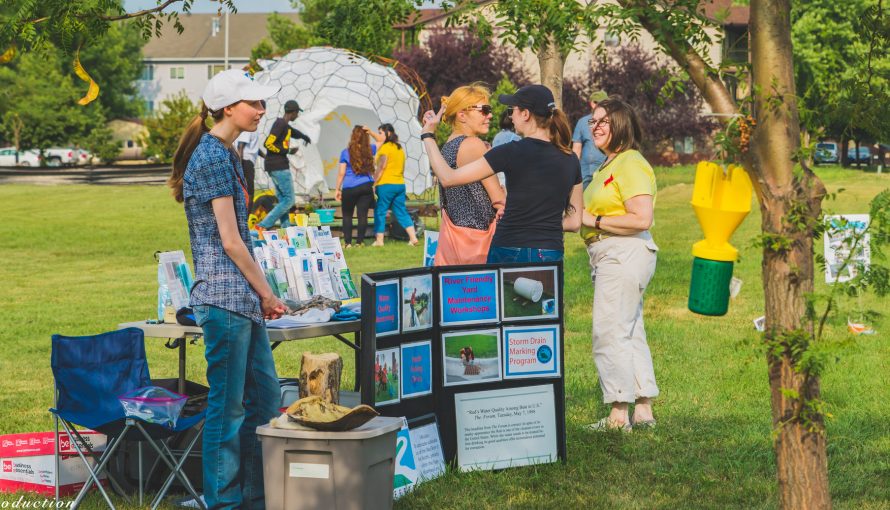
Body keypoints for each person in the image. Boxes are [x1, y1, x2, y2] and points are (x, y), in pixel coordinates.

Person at [168, 69, 286, 509]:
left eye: (262, 104)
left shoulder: (228, 153)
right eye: (253, 103)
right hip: (223, 298)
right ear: (227, 108)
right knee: (229, 407)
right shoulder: (214, 156)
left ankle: (254, 496)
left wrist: (259, 296)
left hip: (241, 300)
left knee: (264, 399)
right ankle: (222, 500)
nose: (261, 110)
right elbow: (231, 241)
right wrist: (269, 294)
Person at [420, 84, 583, 263]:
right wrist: (544, 225)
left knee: (503, 292)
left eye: (512, 110)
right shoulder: (571, 159)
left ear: (526, 114)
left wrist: (428, 135)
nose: (509, 116)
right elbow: (575, 222)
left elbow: (447, 178)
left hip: (507, 246)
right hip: (550, 250)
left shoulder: (508, 151)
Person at [581, 97, 659, 432]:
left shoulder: (630, 162)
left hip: (623, 253)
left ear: (622, 126)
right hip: (612, 254)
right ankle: (642, 408)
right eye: (592, 121)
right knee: (628, 328)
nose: (594, 127)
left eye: (603, 121)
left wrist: (593, 221)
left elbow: (641, 217)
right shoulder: (606, 165)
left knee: (610, 330)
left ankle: (617, 414)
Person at [434, 84, 506, 265]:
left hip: (452, 241)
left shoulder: (448, 145)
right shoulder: (474, 144)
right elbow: (498, 199)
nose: (490, 115)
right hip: (478, 244)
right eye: (484, 110)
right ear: (462, 115)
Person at [257, 99, 312, 230]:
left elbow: (294, 132)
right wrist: (287, 151)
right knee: (289, 200)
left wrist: (305, 137)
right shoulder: (280, 124)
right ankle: (263, 225)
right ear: (292, 112)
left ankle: (286, 232)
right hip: (279, 167)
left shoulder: (285, 125)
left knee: (283, 201)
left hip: (274, 166)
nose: (297, 115)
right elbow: (268, 144)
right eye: (297, 112)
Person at [366, 123, 419, 246]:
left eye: (380, 133)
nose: (378, 135)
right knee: (401, 211)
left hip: (386, 185)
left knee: (380, 211)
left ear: (388, 134)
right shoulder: (399, 148)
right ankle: (413, 238)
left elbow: (381, 166)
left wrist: (374, 182)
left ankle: (379, 240)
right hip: (400, 184)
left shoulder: (385, 148)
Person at [334, 126, 377, 246]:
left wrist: (337, 189)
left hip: (349, 187)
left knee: (347, 215)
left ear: (353, 136)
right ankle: (360, 242)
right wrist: (371, 132)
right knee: (362, 215)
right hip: (366, 186)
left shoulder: (345, 152)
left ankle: (347, 243)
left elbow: (341, 173)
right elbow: (382, 142)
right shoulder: (370, 149)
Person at [573, 89, 609, 189]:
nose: (602, 106)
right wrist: (573, 169)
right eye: (598, 103)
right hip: (586, 171)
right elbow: (576, 149)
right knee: (583, 198)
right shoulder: (583, 122)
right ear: (592, 103)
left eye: (604, 103)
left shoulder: (611, 121)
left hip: (605, 167)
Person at [234, 127, 260, 207]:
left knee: (249, 191)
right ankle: (246, 216)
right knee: (249, 192)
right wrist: (240, 168)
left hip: (247, 161)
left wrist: (265, 156)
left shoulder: (254, 128)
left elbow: (254, 149)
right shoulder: (248, 129)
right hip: (245, 161)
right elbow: (240, 147)